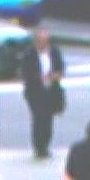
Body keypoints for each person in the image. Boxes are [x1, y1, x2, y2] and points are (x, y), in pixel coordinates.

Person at [20, 25, 66, 159]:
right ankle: (39, 147)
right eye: (40, 42)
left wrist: (55, 75)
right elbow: (26, 73)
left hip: (51, 90)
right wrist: (39, 77)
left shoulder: (54, 52)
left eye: (45, 42)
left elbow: (61, 68)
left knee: (48, 119)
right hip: (35, 92)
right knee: (39, 118)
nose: (43, 45)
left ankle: (45, 146)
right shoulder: (29, 55)